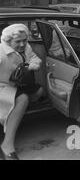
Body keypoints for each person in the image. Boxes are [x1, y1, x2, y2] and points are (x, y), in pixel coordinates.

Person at [0, 24, 43, 160]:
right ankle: (7, 145)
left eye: (24, 40)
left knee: (40, 91)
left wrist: (34, 64)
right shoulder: (1, 53)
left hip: (20, 84)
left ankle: (13, 115)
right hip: (3, 87)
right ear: (8, 41)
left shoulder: (27, 47)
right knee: (23, 98)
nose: (22, 44)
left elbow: (35, 58)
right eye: (18, 41)